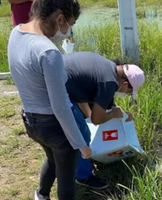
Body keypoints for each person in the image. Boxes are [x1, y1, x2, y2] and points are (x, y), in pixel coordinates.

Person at [7, 1, 92, 200]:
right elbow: (61, 106)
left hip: (31, 121)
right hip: (54, 126)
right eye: (69, 24)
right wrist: (81, 144)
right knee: (66, 177)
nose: (67, 31)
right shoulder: (48, 52)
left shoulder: (16, 33)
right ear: (60, 18)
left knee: (52, 161)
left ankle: (41, 195)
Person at [62, 52, 145, 189]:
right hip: (56, 90)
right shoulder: (109, 82)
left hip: (61, 81)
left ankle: (79, 162)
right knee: (82, 135)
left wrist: (121, 115)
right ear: (124, 84)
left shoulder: (109, 67)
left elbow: (81, 93)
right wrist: (112, 114)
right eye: (128, 92)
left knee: (82, 125)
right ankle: (83, 177)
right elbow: (96, 119)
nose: (126, 94)